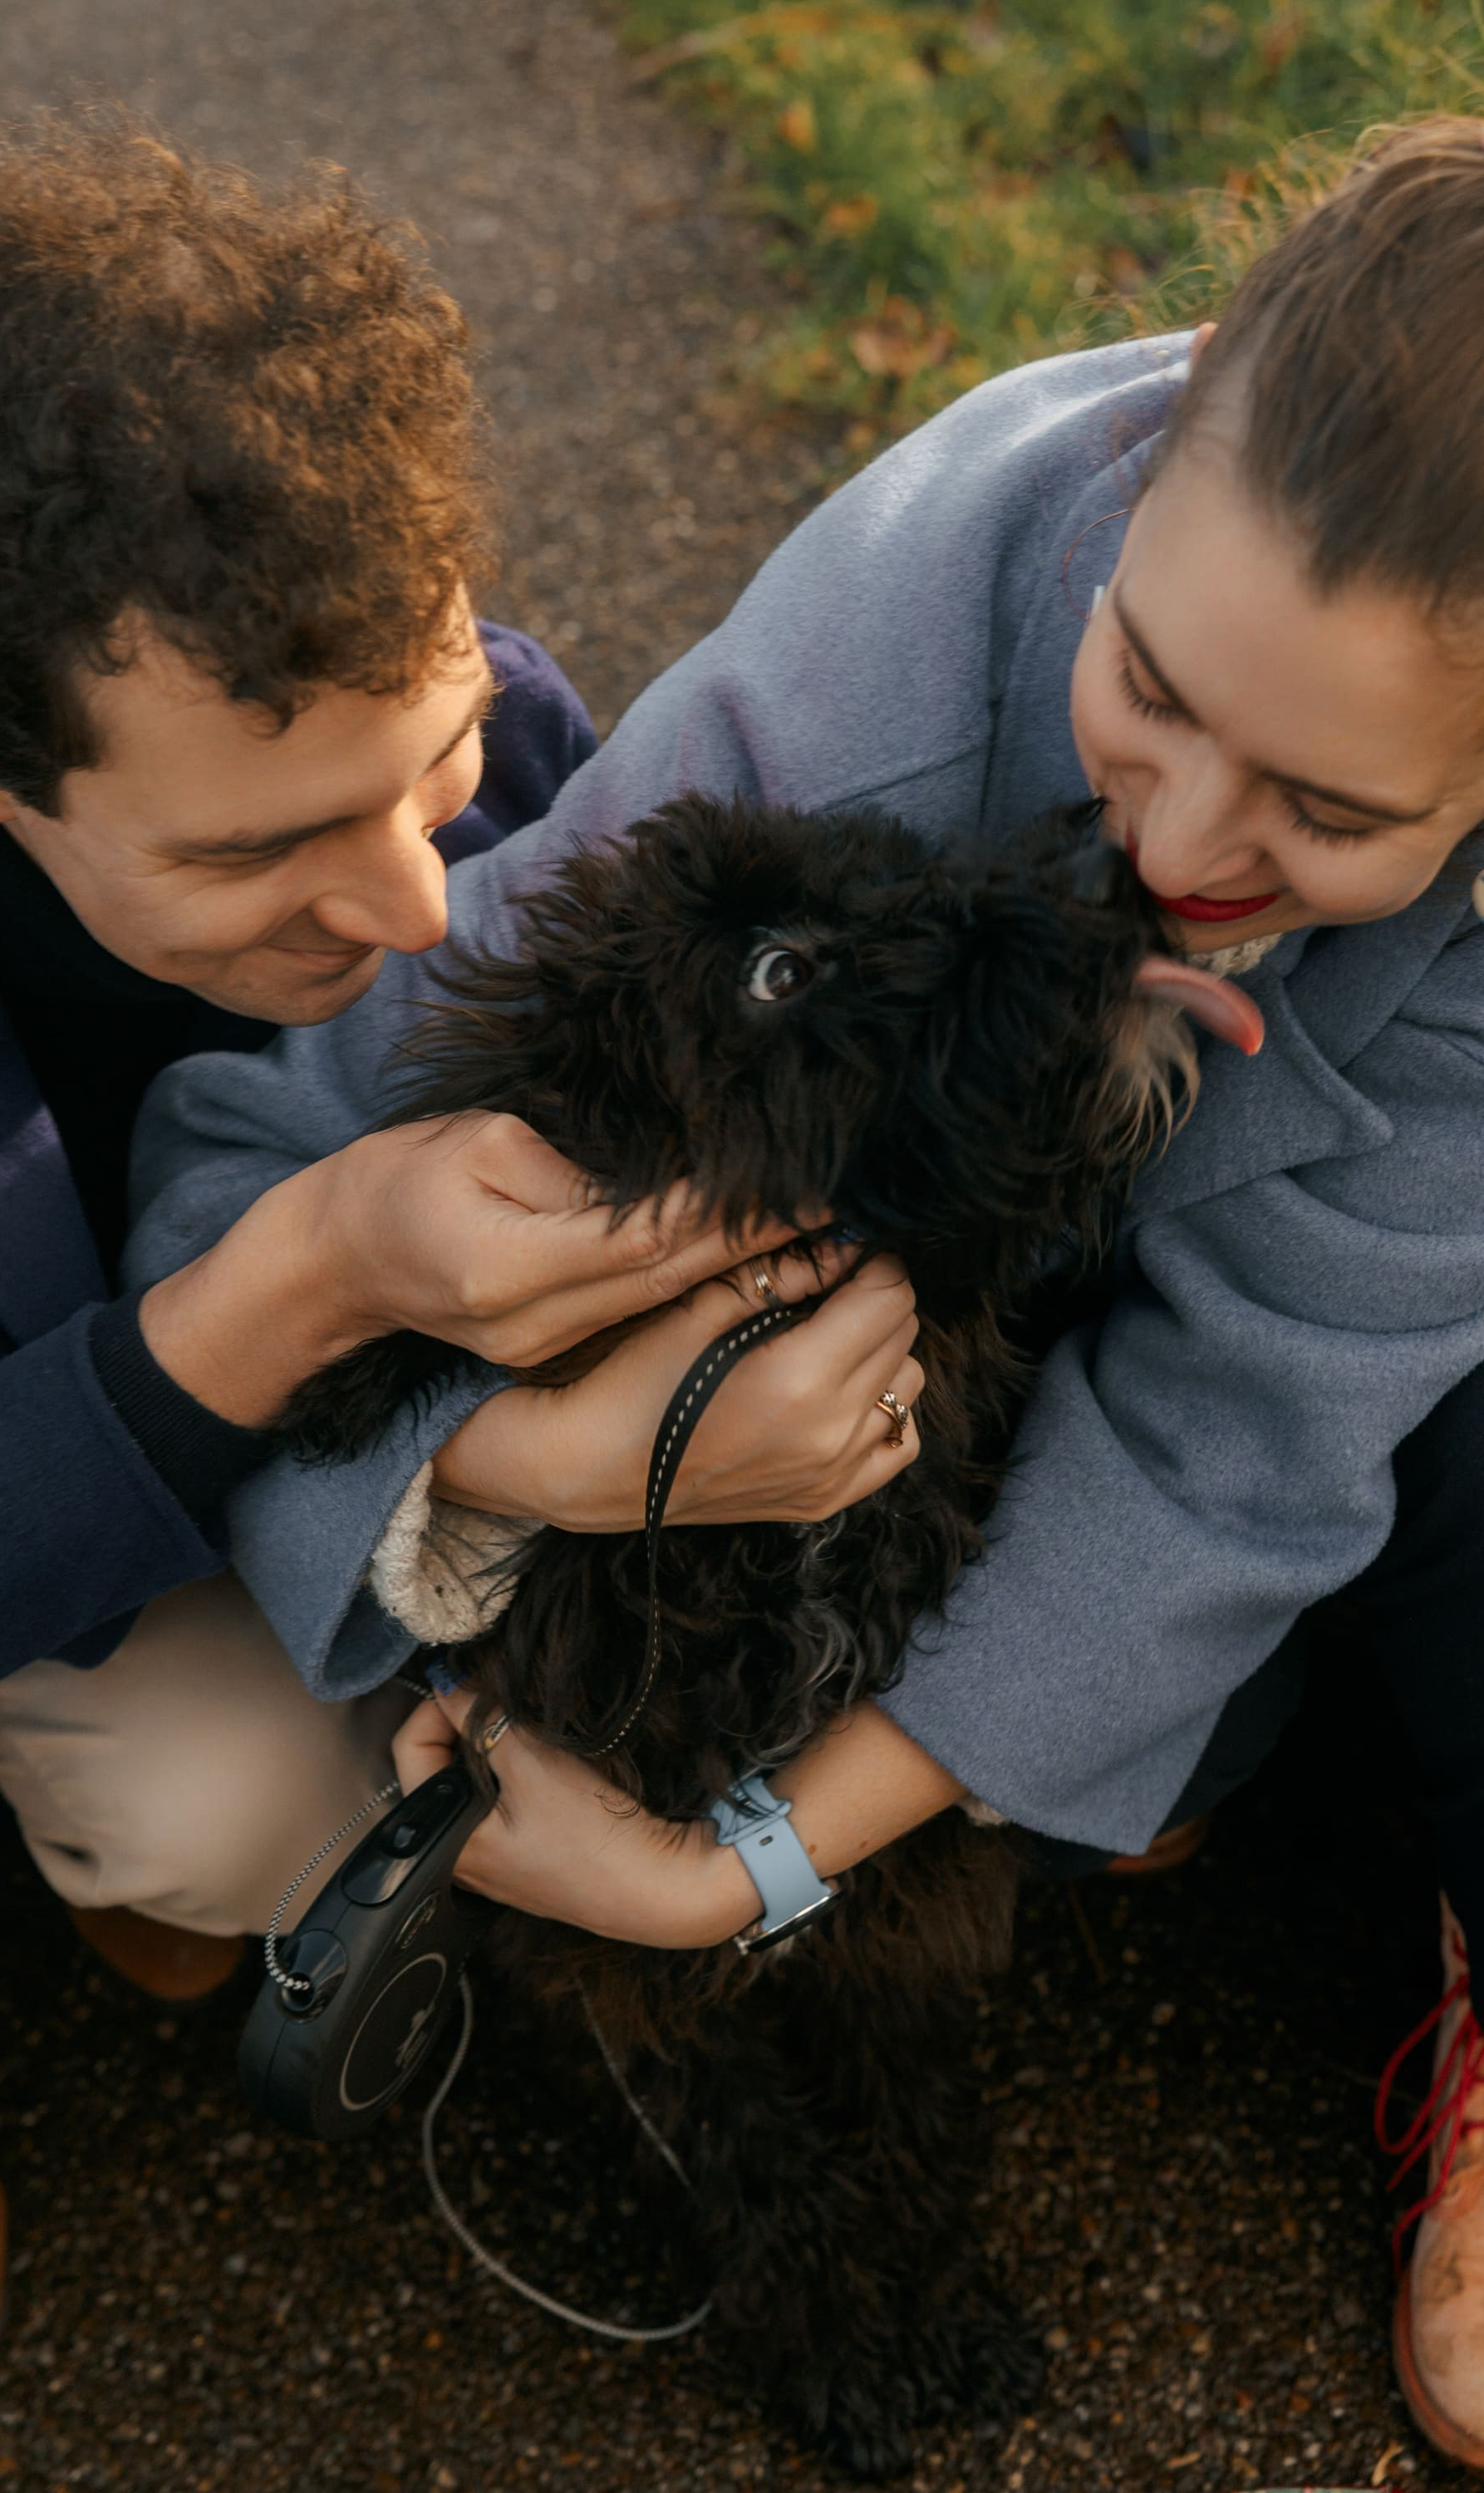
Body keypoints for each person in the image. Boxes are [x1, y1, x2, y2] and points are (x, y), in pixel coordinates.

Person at [130, 119, 1484, 2466]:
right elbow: (248, 1179)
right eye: (1146, 683)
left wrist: (731, 1865)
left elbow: (1246, 1440)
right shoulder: (819, 726)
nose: (1175, 850)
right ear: (1148, 474)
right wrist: (510, 1461)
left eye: (1331, 820)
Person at [0, 111, 866, 2377]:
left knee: (264, 1805)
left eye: (442, 759)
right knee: (212, 1799)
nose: (418, 905)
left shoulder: (412, 703)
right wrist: (304, 1277)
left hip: (126, 1440)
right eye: (261, 852)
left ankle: (98, 1828)